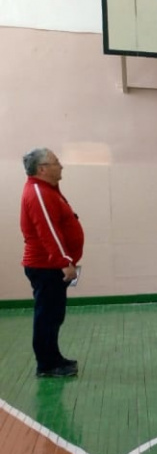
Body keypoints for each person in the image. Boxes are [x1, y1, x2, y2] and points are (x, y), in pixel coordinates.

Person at [20, 148, 84, 378]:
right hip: (46, 267)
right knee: (47, 316)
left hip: (51, 266)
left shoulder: (48, 189)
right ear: (42, 169)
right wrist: (64, 261)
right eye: (56, 162)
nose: (61, 166)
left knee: (53, 315)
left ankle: (53, 358)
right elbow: (48, 231)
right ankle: (46, 365)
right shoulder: (38, 192)